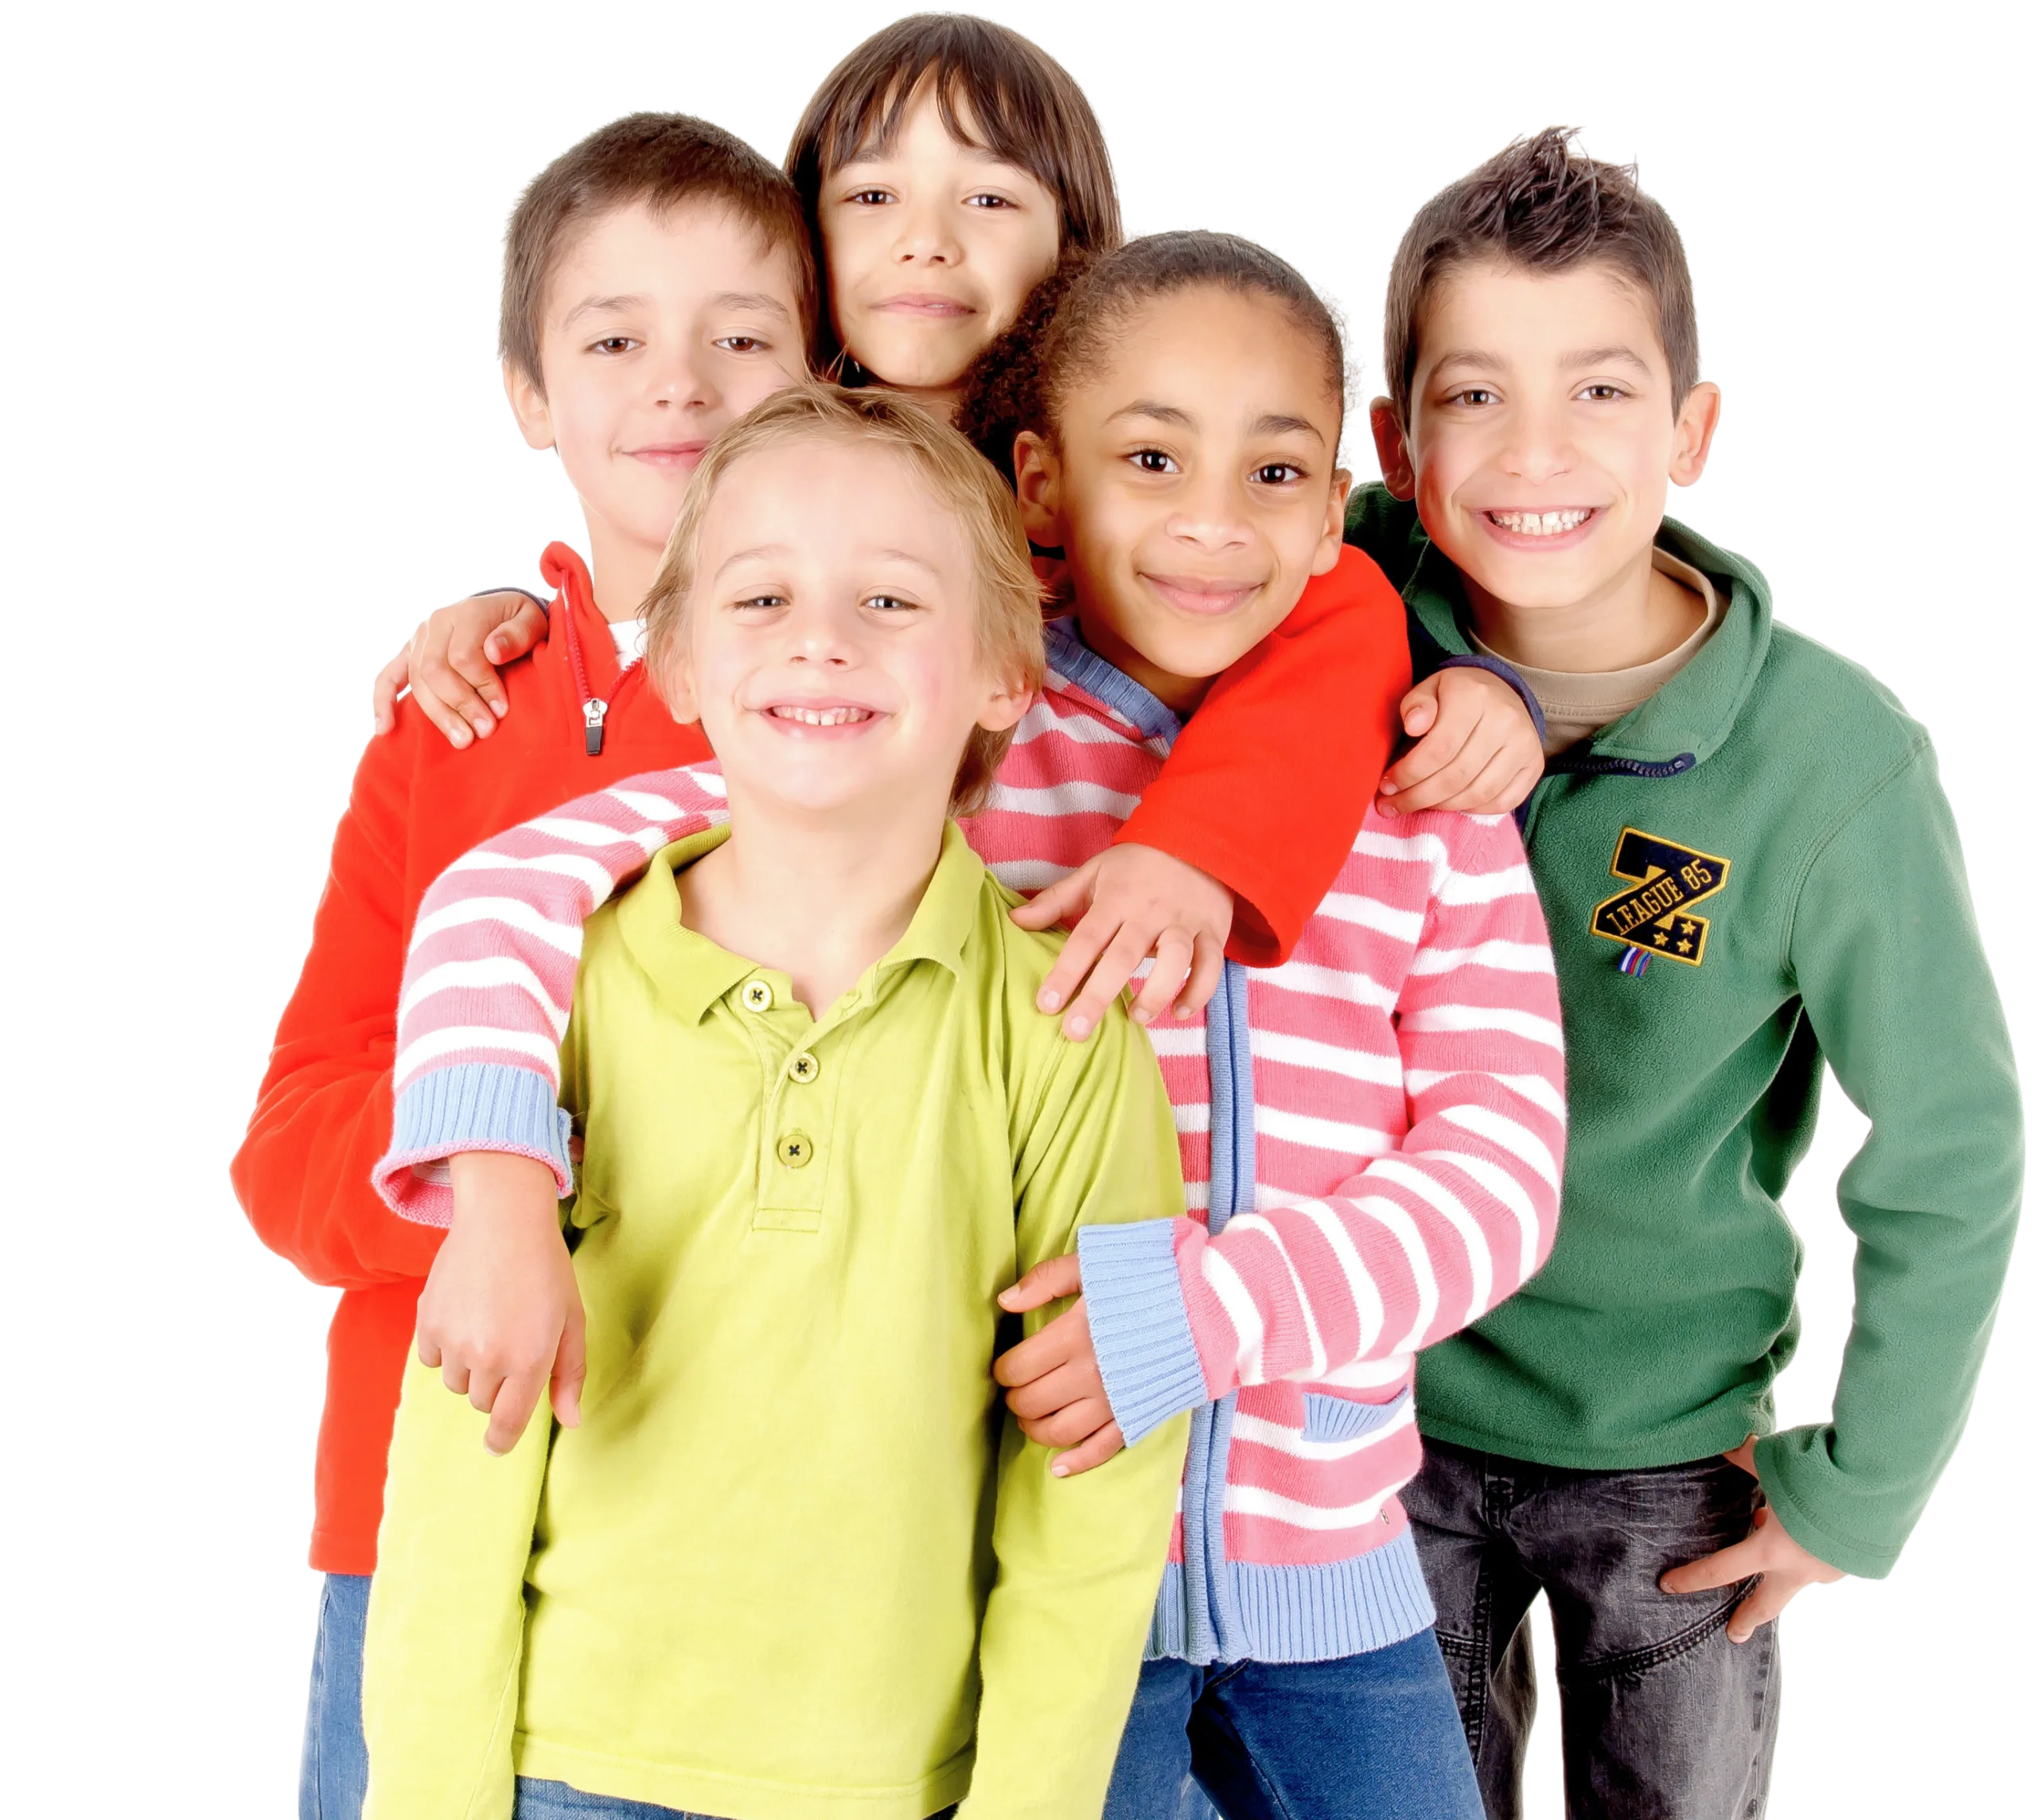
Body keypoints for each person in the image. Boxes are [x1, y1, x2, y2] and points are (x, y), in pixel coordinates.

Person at [376, 229, 1569, 1820]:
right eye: (1150, 459)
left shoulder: (1420, 791)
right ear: (1041, 486)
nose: (1211, 520)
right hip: (1010, 1575)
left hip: (1320, 1554)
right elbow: (533, 875)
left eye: (1276, 474)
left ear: (1341, 496)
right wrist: (497, 1174)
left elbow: (1500, 1176)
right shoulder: (945, 704)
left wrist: (1218, 1308)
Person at [371, 12, 1546, 1048]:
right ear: (805, 253)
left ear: (1078, 250)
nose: (926, 240)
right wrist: (537, 618)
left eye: (988, 199)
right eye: (872, 197)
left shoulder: (1140, 504)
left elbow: (1338, 616)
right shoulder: (779, 496)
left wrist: (1208, 845)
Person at [363, 384, 1192, 1820]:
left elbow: (1098, 1472)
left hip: (896, 1785)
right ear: (680, 661)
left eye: (890, 598)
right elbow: (465, 1436)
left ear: (1007, 671)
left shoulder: (1066, 1032)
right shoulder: (551, 995)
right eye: (761, 596)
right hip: (568, 1768)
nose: (822, 638)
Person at [1348, 125, 2025, 1818]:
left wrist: (1859, 1484)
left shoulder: (1834, 756)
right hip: (1362, 1414)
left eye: (1597, 390)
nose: (1534, 451)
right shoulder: (1328, 622)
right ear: (1392, 440)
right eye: (1473, 394)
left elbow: (1950, 1140)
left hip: (1666, 1455)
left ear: (1693, 432)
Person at [226, 110, 817, 1820]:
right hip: (419, 1500)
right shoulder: (445, 724)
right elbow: (289, 1145)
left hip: (727, 1514)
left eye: (740, 337)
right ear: (525, 392)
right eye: (613, 340)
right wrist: (491, 1207)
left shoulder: (851, 712)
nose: (680, 384)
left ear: (818, 374)